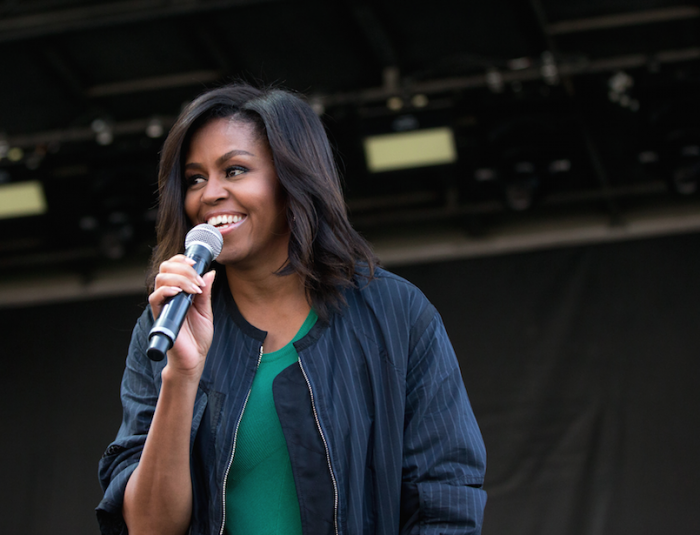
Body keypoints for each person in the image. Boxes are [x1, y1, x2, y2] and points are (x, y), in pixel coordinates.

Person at [96, 82, 487, 535]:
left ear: (293, 179)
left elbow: (447, 500)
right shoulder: (166, 326)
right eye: (196, 178)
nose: (209, 194)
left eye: (236, 170)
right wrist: (181, 377)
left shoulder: (396, 315)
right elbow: (146, 527)